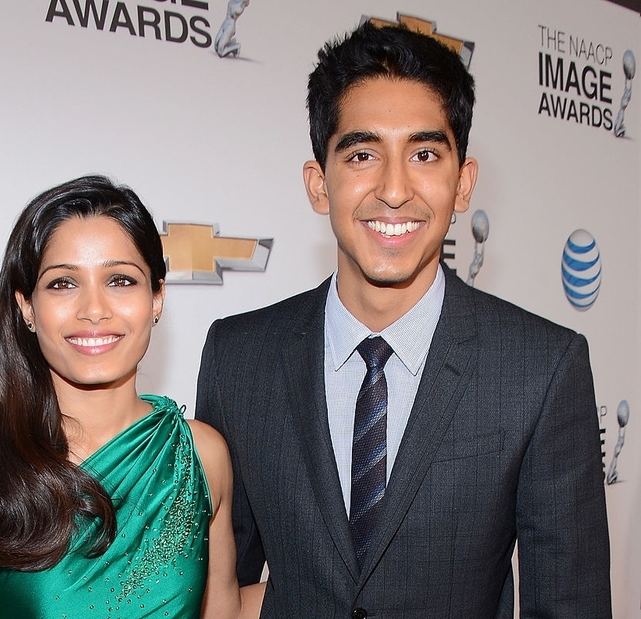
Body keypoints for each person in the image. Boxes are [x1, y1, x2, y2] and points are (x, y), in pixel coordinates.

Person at [195, 22, 611, 618]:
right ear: (319, 184)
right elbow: (218, 590)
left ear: (463, 183)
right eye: (363, 154)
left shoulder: (542, 368)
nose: (394, 190)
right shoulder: (240, 356)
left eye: (423, 154)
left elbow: (571, 607)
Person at [0, 175, 264, 619]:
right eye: (63, 283)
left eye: (120, 280)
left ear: (157, 297)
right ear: (26, 306)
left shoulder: (201, 456)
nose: (94, 309)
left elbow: (225, 612)